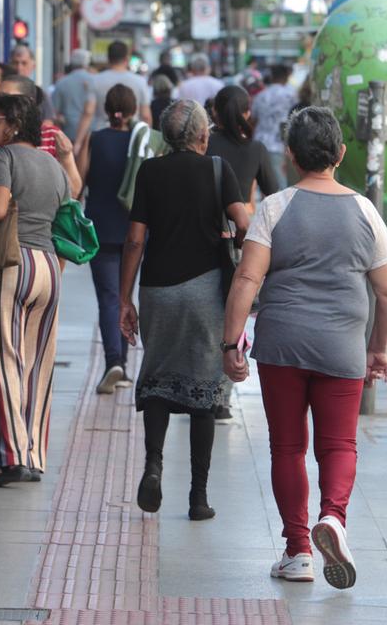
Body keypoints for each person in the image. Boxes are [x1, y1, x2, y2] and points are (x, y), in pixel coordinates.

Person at [222, 107, 387, 588]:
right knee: (339, 444)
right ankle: (334, 520)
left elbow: (248, 277)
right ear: (340, 154)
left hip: (282, 345)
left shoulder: (275, 207)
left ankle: (298, 551)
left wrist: (230, 342)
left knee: (287, 447)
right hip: (342, 347)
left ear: (291, 154)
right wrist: (377, 348)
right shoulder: (365, 210)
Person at [118, 100, 249, 521]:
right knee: (204, 390)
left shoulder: (151, 172)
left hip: (158, 289)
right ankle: (197, 497)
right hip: (205, 290)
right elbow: (245, 223)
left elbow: (135, 240)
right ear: (201, 135)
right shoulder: (217, 169)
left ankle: (153, 464)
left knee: (157, 377)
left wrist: (125, 298)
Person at [0, 93, 70, 485]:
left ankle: (8, 458)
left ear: (14, 125)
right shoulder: (53, 166)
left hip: (10, 264)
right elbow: (67, 212)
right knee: (36, 364)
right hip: (47, 267)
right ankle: (33, 454)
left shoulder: (1, 159)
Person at [77, 85, 137, 394]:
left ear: (107, 109)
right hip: (133, 231)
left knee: (109, 298)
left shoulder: (96, 139)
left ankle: (115, 361)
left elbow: (79, 180)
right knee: (126, 297)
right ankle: (123, 365)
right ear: (132, 110)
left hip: (99, 228)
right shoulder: (139, 143)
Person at [206, 85, 280, 213]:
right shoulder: (257, 148)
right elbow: (272, 189)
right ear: (247, 114)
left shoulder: (204, 144)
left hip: (208, 219)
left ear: (215, 111)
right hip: (244, 221)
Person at [79, 41, 151, 151]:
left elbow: (88, 112)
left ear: (108, 58)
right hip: (132, 137)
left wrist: (79, 142)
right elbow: (145, 116)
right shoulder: (140, 81)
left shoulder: (95, 80)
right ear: (127, 58)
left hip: (101, 135)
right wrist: (147, 141)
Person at [251, 64, 297, 190]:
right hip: (282, 145)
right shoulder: (293, 95)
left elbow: (253, 120)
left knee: (264, 184)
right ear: (287, 77)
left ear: (271, 77)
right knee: (281, 184)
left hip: (260, 143)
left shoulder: (261, 96)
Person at [53, 48, 95, 142]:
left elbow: (55, 111)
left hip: (68, 131)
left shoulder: (61, 83)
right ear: (87, 63)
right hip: (91, 130)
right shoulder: (94, 81)